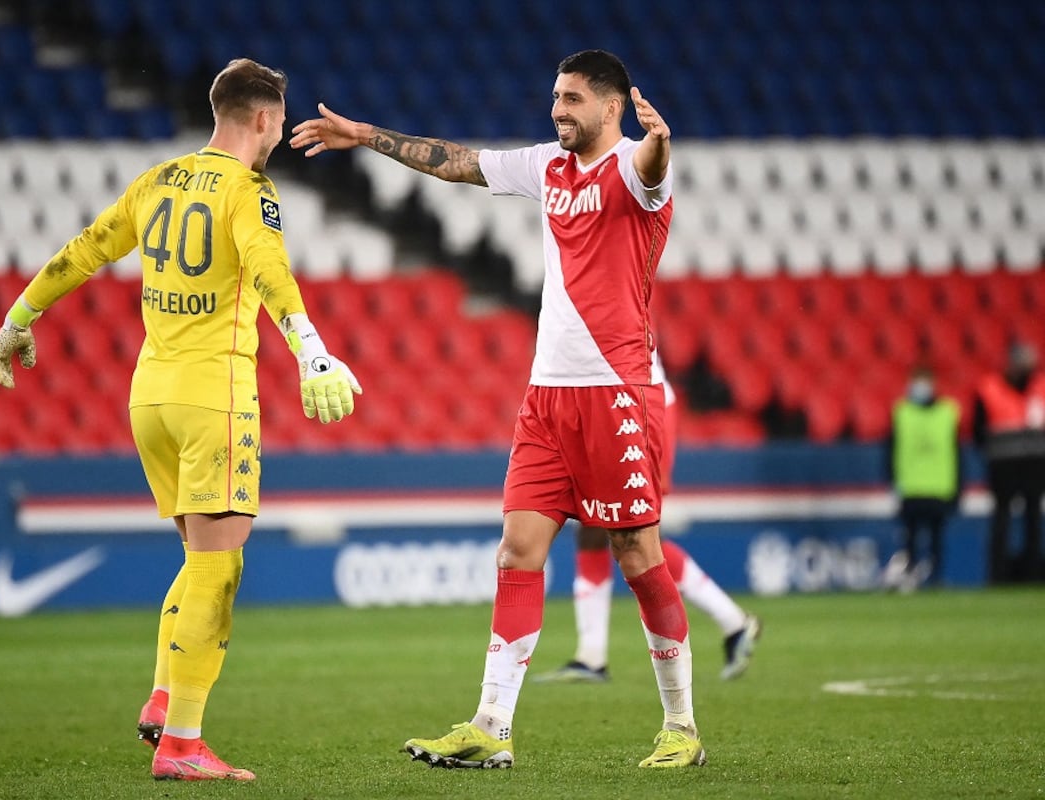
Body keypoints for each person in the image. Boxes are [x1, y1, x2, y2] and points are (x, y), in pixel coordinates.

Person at [293, 49, 705, 769]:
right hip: (546, 397)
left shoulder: (633, 170)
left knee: (637, 553)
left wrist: (660, 142)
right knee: (517, 550)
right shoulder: (547, 166)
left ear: (611, 107)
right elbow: (458, 162)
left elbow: (651, 169)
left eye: (572, 98)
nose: (557, 108)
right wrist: (365, 136)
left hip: (615, 392)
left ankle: (681, 726)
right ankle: (491, 725)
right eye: (556, 96)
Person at [0, 58, 362, 782]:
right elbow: (268, 269)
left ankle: (165, 698)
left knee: (199, 563)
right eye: (280, 122)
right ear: (263, 118)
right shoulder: (248, 191)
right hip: (214, 396)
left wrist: (17, 320)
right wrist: (312, 353)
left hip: (151, 397)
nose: (280, 134)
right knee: (220, 572)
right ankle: (184, 744)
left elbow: (84, 250)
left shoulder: (157, 180)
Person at [536, 351, 761, 684]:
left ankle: (733, 622)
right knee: (594, 526)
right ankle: (591, 656)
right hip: (606, 402)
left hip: (639, 404)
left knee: (634, 532)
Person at [881, 364, 961, 590]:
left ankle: (935, 578)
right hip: (911, 486)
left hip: (939, 486)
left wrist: (957, 486)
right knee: (911, 538)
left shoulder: (947, 412)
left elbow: (956, 453)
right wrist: (893, 480)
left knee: (937, 538)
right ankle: (910, 577)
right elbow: (891, 450)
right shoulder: (901, 412)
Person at [973, 341, 1045, 583]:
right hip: (1003, 467)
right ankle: (998, 575)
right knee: (1001, 521)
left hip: (1035, 466)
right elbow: (978, 430)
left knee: (1033, 521)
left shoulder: (1041, 387)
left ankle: (1033, 574)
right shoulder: (990, 388)